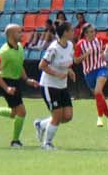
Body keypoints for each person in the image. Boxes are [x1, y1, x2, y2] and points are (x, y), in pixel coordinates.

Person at [33, 22, 78, 151]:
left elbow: (67, 61)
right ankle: (47, 143)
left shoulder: (69, 45)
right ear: (64, 33)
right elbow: (42, 65)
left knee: (67, 116)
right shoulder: (54, 48)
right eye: (71, 30)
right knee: (57, 116)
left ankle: (41, 124)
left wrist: (69, 70)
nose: (73, 32)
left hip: (62, 86)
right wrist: (57, 73)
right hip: (49, 85)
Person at [0, 22, 32, 148]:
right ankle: (15, 141)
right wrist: (6, 88)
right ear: (11, 35)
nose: (22, 34)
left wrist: (26, 79)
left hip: (15, 81)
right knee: (22, 112)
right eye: (19, 32)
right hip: (6, 81)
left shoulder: (19, 47)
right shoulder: (4, 52)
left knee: (14, 113)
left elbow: (19, 65)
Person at [74, 21, 108, 130]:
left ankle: (99, 117)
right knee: (98, 95)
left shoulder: (99, 40)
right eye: (90, 32)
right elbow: (76, 60)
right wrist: (86, 55)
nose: (93, 33)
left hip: (101, 68)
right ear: (85, 34)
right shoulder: (80, 44)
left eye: (94, 31)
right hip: (88, 73)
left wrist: (105, 52)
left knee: (97, 91)